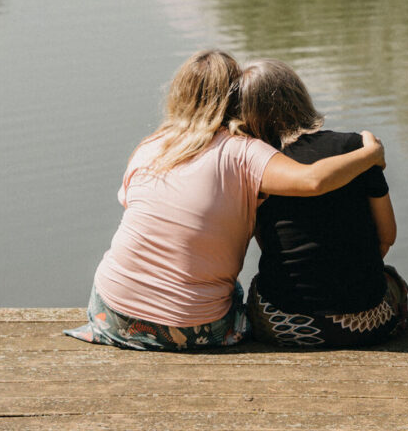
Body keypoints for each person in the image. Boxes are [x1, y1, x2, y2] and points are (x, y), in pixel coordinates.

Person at [64, 49, 386, 351]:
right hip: (194, 328)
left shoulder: (151, 146)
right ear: (236, 98)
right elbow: (313, 180)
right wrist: (370, 154)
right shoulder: (244, 153)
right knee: (237, 294)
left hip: (111, 310)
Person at [236, 59, 408, 347]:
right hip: (367, 324)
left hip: (283, 326)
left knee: (257, 286)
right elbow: (387, 237)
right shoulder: (356, 150)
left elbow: (269, 247)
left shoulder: (254, 164)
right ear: (301, 96)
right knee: (393, 281)